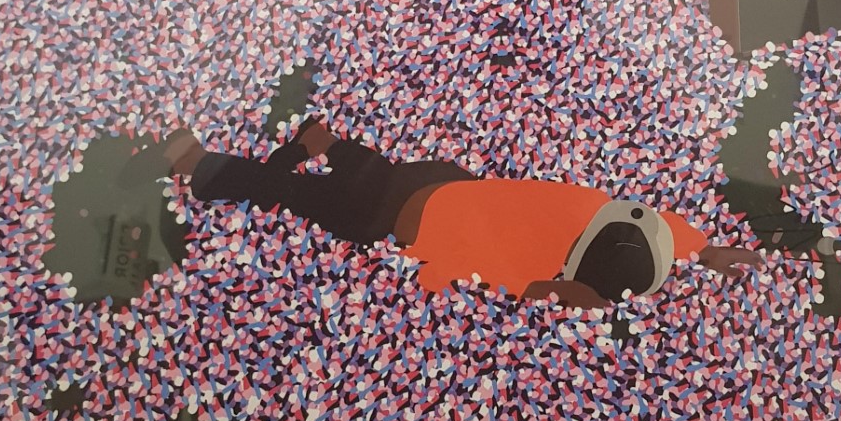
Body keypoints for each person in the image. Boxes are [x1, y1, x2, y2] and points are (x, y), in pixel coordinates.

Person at [123, 120, 763, 308]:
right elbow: (444, 275)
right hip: (397, 216)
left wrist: (705, 250)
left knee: (374, 173)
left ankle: (325, 143)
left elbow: (656, 227)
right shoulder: (533, 273)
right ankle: (197, 163)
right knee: (298, 195)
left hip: (442, 179)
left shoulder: (594, 206)